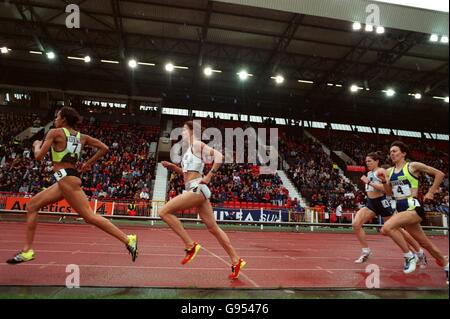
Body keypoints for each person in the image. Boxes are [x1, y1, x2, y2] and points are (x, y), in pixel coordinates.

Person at [6, 107, 138, 264]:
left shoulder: (55, 132)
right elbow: (105, 148)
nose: (55, 119)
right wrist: (88, 164)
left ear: (63, 120)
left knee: (89, 216)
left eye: (57, 117)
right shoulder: (82, 137)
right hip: (66, 177)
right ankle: (27, 251)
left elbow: (39, 157)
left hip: (66, 178)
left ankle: (128, 239)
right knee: (32, 205)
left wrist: (35, 145)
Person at [160, 120, 246, 280]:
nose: (182, 133)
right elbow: (187, 175)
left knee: (163, 212)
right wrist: (173, 167)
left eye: (185, 130)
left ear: (193, 132)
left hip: (197, 189)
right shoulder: (188, 151)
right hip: (195, 188)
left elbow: (220, 157)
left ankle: (190, 245)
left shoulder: (197, 145)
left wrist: (208, 176)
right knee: (213, 228)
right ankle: (236, 260)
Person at [378, 141, 448, 283]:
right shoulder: (389, 172)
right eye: (390, 151)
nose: (392, 154)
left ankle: (409, 256)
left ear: (403, 153)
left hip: (412, 206)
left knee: (386, 228)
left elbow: (439, 174)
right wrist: (384, 182)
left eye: (395, 151)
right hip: (400, 207)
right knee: (425, 243)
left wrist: (431, 192)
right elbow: (389, 193)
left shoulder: (412, 166)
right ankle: (446, 264)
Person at [353, 152, 427, 266]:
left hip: (383, 203)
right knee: (356, 224)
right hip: (371, 204)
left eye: (370, 161)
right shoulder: (369, 173)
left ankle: (419, 252)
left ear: (377, 161)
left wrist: (369, 183)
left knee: (397, 230)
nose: (367, 163)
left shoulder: (382, 171)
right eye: (366, 161)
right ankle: (366, 251)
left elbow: (387, 189)